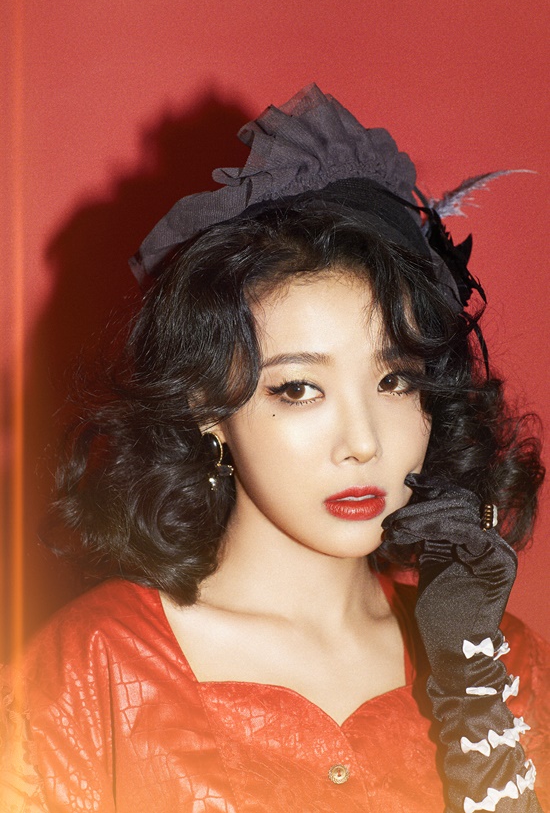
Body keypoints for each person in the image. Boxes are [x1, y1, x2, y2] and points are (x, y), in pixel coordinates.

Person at [1, 84, 549, 812]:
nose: (362, 443)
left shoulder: (501, 664)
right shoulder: (93, 669)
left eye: (394, 380)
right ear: (207, 406)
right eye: (298, 389)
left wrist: (474, 699)